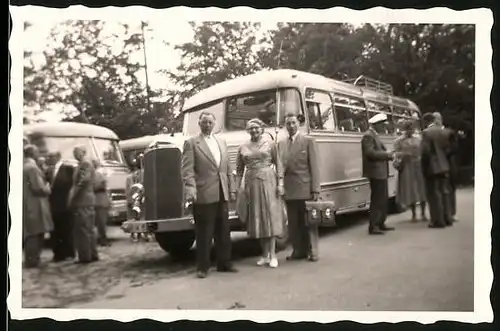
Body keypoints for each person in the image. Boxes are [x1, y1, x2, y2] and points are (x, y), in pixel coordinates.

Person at [182, 111, 237, 278]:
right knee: (204, 232)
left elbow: (227, 168)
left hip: (222, 192)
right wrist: (191, 189)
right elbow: (187, 170)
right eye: (204, 122)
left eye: (210, 122)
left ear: (214, 124)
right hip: (203, 193)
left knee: (223, 231)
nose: (207, 125)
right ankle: (202, 267)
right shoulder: (192, 143)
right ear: (199, 124)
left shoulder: (221, 142)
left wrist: (232, 188)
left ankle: (224, 263)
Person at [236, 118, 284, 268]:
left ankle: (273, 255)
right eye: (251, 128)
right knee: (257, 217)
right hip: (251, 183)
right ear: (247, 130)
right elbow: (239, 170)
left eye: (256, 128)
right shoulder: (242, 146)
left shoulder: (270, 144)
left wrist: (280, 183)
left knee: (269, 216)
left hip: (268, 181)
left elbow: (279, 164)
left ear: (262, 129)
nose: (254, 131)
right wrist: (238, 187)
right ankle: (264, 255)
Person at [279, 113, 321, 261]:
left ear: (299, 124)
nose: (290, 126)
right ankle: (298, 250)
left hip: (305, 187)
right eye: (288, 123)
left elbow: (314, 166)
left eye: (293, 123)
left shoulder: (308, 141)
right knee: (294, 223)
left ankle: (313, 251)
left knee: (309, 222)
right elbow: (280, 167)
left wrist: (315, 188)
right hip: (289, 189)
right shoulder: (282, 144)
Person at [361, 113, 395, 235]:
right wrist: (386, 155)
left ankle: (380, 223)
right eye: (382, 125)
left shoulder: (373, 135)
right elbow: (370, 153)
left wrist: (389, 154)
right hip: (375, 172)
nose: (384, 127)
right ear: (377, 125)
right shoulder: (368, 136)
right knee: (377, 199)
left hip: (380, 172)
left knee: (382, 198)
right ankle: (374, 225)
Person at [23, 145, 54, 268]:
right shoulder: (32, 168)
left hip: (28, 203)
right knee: (35, 233)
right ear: (33, 154)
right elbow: (38, 188)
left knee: (31, 232)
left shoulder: (24, 166)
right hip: (36, 204)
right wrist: (48, 187)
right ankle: (33, 260)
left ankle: (32, 259)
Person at [421, 113, 453, 228]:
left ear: (425, 121)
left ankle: (437, 220)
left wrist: (423, 167)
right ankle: (447, 217)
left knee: (434, 194)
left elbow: (425, 152)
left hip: (432, 167)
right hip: (444, 165)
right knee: (444, 191)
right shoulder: (443, 131)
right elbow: (448, 149)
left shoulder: (426, 132)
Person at [68, 145, 99, 263]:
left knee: (83, 229)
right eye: (74, 152)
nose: (75, 154)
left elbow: (82, 182)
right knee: (89, 229)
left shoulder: (84, 165)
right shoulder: (84, 164)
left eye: (77, 152)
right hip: (87, 199)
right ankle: (92, 254)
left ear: (83, 152)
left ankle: (85, 256)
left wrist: (72, 197)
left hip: (82, 201)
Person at [393, 120, 428, 222]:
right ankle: (413, 214)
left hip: (419, 166)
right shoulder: (399, 141)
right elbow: (395, 153)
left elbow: (423, 151)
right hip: (407, 167)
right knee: (411, 190)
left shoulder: (419, 139)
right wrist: (403, 155)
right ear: (404, 129)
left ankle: (423, 213)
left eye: (411, 128)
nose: (410, 130)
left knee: (422, 190)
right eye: (408, 128)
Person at [46, 151, 76, 262]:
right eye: (48, 156)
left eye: (51, 156)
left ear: (58, 157)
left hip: (65, 203)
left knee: (66, 229)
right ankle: (58, 254)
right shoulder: (49, 170)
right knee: (55, 230)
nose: (49, 158)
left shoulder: (68, 168)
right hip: (53, 204)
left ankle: (69, 252)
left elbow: (72, 184)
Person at [433, 112, 459, 222]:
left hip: (448, 164)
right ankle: (445, 214)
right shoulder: (433, 134)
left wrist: (443, 153)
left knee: (449, 189)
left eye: (438, 119)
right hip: (439, 165)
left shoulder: (449, 133)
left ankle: (451, 213)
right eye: (435, 120)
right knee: (442, 190)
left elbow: (454, 148)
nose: (436, 122)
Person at [92, 159, 112, 247]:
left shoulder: (96, 174)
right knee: (101, 223)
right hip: (100, 201)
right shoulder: (98, 174)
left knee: (100, 223)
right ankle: (103, 240)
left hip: (99, 201)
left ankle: (102, 239)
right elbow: (101, 186)